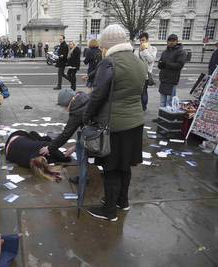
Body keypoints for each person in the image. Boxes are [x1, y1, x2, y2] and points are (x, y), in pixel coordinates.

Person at [83, 24, 147, 222]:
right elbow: (143, 94)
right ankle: (123, 202)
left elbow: (97, 95)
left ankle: (109, 211)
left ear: (108, 45)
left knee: (111, 168)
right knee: (125, 165)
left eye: (103, 46)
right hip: (135, 123)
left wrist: (86, 117)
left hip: (114, 126)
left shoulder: (109, 63)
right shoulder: (138, 61)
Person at [39, 90, 90, 185]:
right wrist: (75, 147)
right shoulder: (83, 98)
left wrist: (49, 148)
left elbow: (66, 134)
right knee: (79, 146)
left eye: (65, 106)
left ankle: (84, 178)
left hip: (98, 134)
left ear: (69, 102)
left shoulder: (77, 110)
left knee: (81, 150)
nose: (65, 109)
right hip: (104, 130)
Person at [157, 34, 186, 108]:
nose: (171, 42)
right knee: (162, 100)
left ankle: (167, 118)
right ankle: (161, 117)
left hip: (172, 80)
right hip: (163, 79)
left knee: (169, 101)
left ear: (177, 41)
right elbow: (161, 63)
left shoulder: (181, 52)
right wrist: (160, 64)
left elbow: (179, 65)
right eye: (169, 40)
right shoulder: (165, 52)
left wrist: (166, 64)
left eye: (173, 41)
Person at [136, 32, 157, 111]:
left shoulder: (153, 49)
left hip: (145, 74)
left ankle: (143, 107)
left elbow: (151, 60)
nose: (141, 42)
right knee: (138, 92)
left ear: (147, 40)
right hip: (137, 73)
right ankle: (138, 106)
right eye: (140, 40)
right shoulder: (138, 49)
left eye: (143, 40)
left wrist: (144, 50)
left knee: (144, 91)